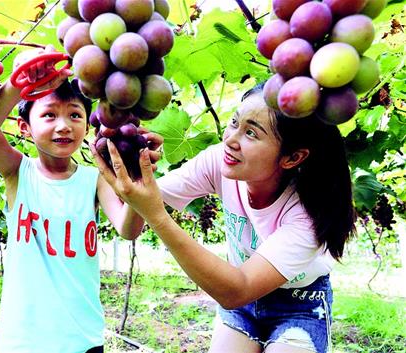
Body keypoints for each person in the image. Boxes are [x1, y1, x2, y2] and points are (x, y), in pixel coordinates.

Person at [92, 83, 356, 353]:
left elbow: (236, 290)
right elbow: (129, 227)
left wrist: (158, 217)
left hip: (298, 304)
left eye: (251, 133)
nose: (230, 139)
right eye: (234, 122)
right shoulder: (220, 159)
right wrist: (137, 172)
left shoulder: (308, 213)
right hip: (242, 304)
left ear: (292, 157)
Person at [0, 47, 148, 353]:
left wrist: (136, 182)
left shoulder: (94, 179)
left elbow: (128, 229)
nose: (64, 125)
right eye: (49, 114)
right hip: (22, 341)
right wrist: (19, 84)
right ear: (24, 128)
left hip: (83, 339)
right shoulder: (18, 173)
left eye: (75, 115)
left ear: (87, 125)